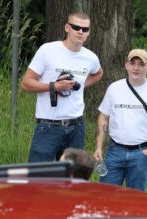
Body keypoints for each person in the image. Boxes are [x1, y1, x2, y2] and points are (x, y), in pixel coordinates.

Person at [20, 12, 104, 163]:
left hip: (76, 126)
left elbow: (98, 73)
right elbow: (25, 83)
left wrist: (80, 86)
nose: (80, 32)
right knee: (38, 178)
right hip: (48, 125)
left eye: (85, 29)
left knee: (71, 178)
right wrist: (54, 86)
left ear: (89, 32)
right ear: (67, 27)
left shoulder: (90, 57)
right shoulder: (48, 50)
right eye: (76, 27)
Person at [93, 49, 147, 191]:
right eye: (133, 63)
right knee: (106, 196)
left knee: (136, 200)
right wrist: (99, 146)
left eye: (141, 64)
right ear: (126, 65)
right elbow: (104, 117)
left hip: (141, 153)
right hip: (114, 151)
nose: (136, 68)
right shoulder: (114, 88)